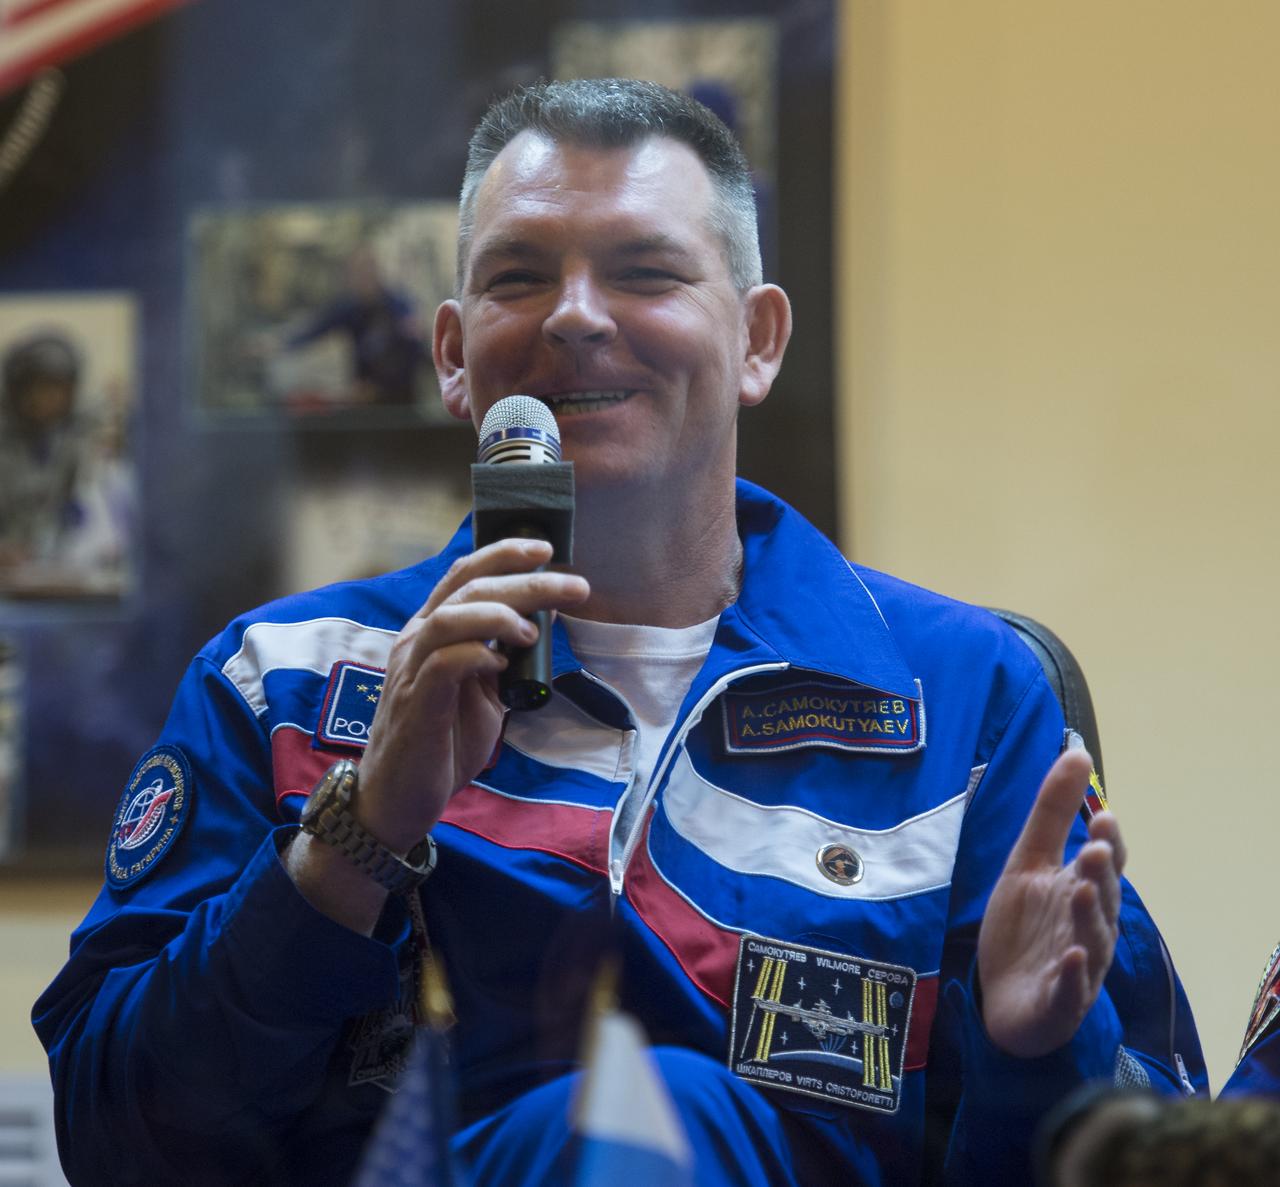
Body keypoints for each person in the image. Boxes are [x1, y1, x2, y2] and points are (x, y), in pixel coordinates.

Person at [34, 79, 1205, 1186]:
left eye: (643, 272)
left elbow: (1153, 1149)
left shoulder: (969, 700)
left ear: (756, 339)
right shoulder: (281, 682)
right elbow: (116, 1136)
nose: (578, 318)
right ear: (451, 352)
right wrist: (353, 840)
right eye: (518, 278)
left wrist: (1035, 1052)